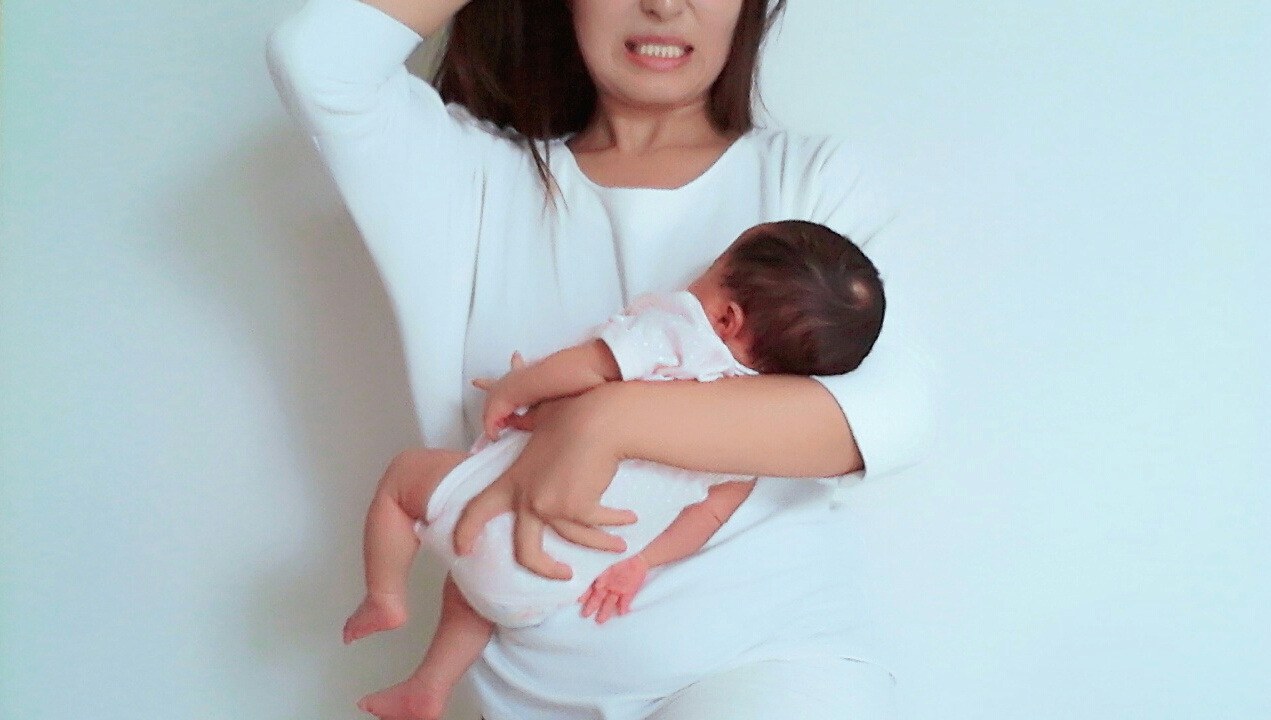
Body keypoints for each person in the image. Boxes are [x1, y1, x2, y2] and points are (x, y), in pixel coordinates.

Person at [266, 0, 932, 717]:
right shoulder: (469, 176)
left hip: (769, 666)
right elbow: (320, 57)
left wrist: (603, 421)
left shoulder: (805, 183)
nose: (664, 5)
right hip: (527, 690)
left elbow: (889, 414)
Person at [341, 220, 887, 720]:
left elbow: (590, 367)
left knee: (404, 479)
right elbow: (707, 518)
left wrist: (516, 387)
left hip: (495, 527)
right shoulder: (748, 440)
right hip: (547, 587)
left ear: (726, 318)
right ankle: (429, 687)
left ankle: (385, 595)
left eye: (711, 271)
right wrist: (641, 562)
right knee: (477, 598)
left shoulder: (679, 334)